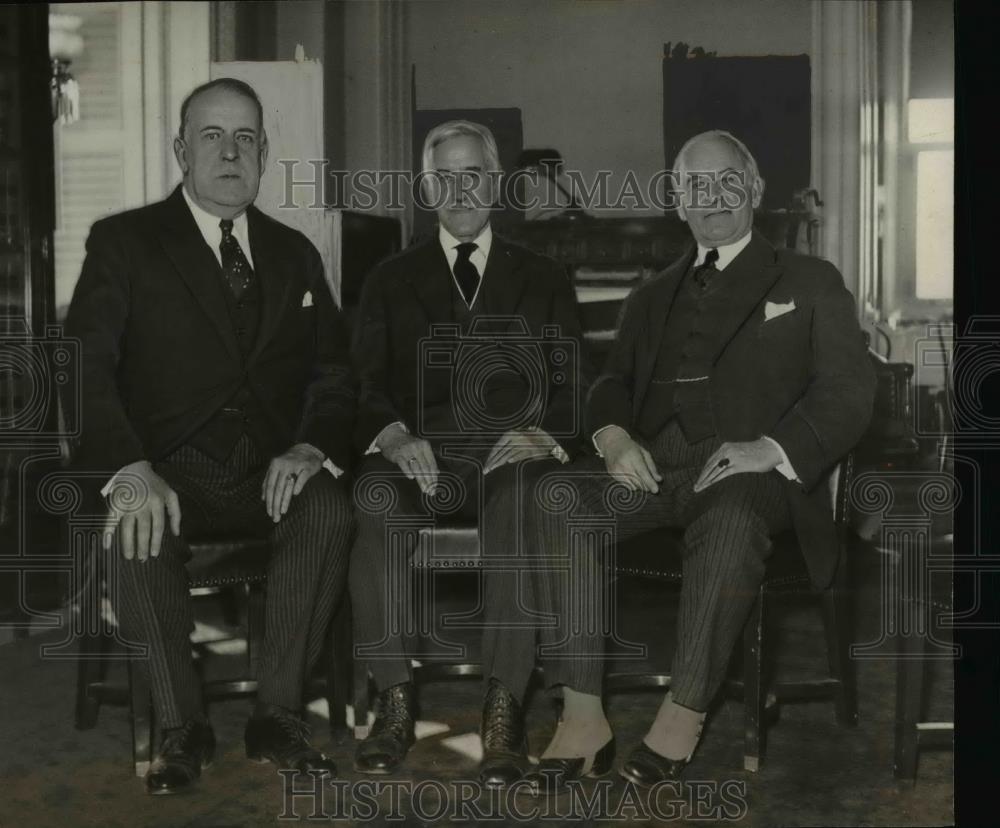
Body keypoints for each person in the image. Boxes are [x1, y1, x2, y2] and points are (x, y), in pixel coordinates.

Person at [523, 129, 877, 792]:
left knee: (731, 518)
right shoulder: (651, 295)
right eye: (695, 186)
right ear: (677, 202)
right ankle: (582, 718)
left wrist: (772, 448)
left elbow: (849, 390)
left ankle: (680, 719)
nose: (712, 197)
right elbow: (611, 383)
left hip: (753, 475)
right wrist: (613, 438)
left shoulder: (810, 280)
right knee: (554, 498)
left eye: (726, 181)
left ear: (755, 189)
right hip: (657, 468)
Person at [64, 78, 356, 795]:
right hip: (168, 472)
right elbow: (83, 366)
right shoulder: (124, 242)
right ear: (181, 151)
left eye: (246, 138)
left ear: (263, 154)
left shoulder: (294, 253)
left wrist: (309, 447)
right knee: (135, 522)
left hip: (268, 473)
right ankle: (180, 726)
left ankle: (279, 715)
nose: (231, 152)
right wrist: (129, 468)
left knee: (328, 508)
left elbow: (335, 373)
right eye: (212, 136)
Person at [349, 120, 586, 786]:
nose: (459, 190)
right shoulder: (389, 278)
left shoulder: (543, 276)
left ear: (496, 182)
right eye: (444, 177)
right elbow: (361, 382)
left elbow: (576, 385)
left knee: (522, 500)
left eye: (472, 174)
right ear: (426, 189)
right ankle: (394, 700)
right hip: (419, 454)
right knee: (373, 497)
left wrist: (544, 434)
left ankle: (504, 708)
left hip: (511, 451)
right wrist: (392, 434)